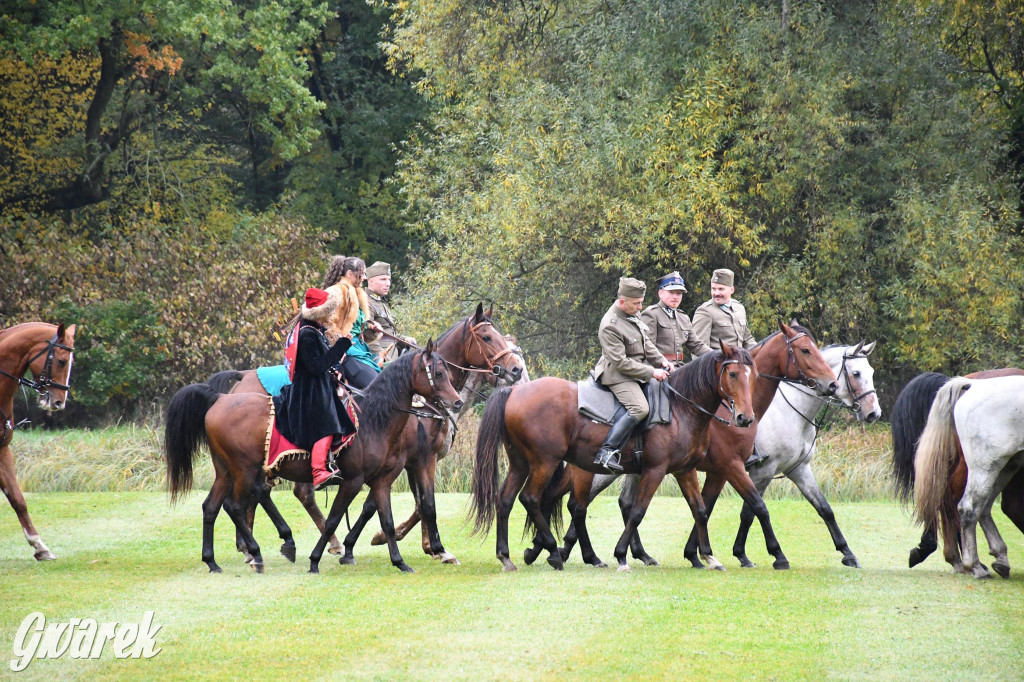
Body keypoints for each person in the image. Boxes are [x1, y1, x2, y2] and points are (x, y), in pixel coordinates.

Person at [274, 287, 357, 490]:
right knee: (327, 422)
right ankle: (319, 471)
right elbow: (317, 366)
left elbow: (324, 364)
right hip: (308, 391)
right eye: (329, 310)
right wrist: (342, 345)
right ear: (321, 312)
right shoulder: (307, 334)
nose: (332, 314)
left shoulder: (313, 329)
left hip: (317, 386)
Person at [592, 277, 671, 472]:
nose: (640, 306)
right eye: (636, 303)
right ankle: (607, 451)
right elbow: (621, 362)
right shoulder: (610, 324)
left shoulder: (631, 314)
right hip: (617, 374)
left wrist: (661, 360)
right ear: (621, 302)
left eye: (641, 302)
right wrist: (653, 372)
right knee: (640, 409)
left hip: (636, 370)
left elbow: (646, 343)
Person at [322, 256, 382, 389]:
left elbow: (357, 326)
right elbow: (327, 325)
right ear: (349, 274)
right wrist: (339, 349)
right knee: (377, 388)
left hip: (359, 349)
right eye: (362, 274)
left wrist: (371, 328)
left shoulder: (357, 294)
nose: (365, 278)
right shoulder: (337, 292)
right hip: (346, 352)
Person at [640, 271, 712, 367]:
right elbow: (647, 348)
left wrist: (717, 355)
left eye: (679, 293)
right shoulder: (651, 314)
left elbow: (696, 345)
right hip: (658, 368)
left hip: (680, 367)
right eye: (671, 292)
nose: (675, 297)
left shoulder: (683, 317)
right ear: (660, 293)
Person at [364, 261, 417, 364]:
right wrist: (383, 360)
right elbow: (368, 337)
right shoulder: (366, 302)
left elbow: (388, 334)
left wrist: (404, 339)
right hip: (380, 360)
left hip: (393, 357)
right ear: (370, 281)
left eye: (389, 280)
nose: (388, 283)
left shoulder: (380, 303)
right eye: (383, 279)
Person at [692, 268, 757, 350]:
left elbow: (747, 339)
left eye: (721, 289)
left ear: (732, 290)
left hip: (740, 361)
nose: (716, 293)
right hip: (718, 361)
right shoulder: (705, 311)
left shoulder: (739, 308)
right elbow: (698, 347)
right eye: (713, 289)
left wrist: (761, 351)